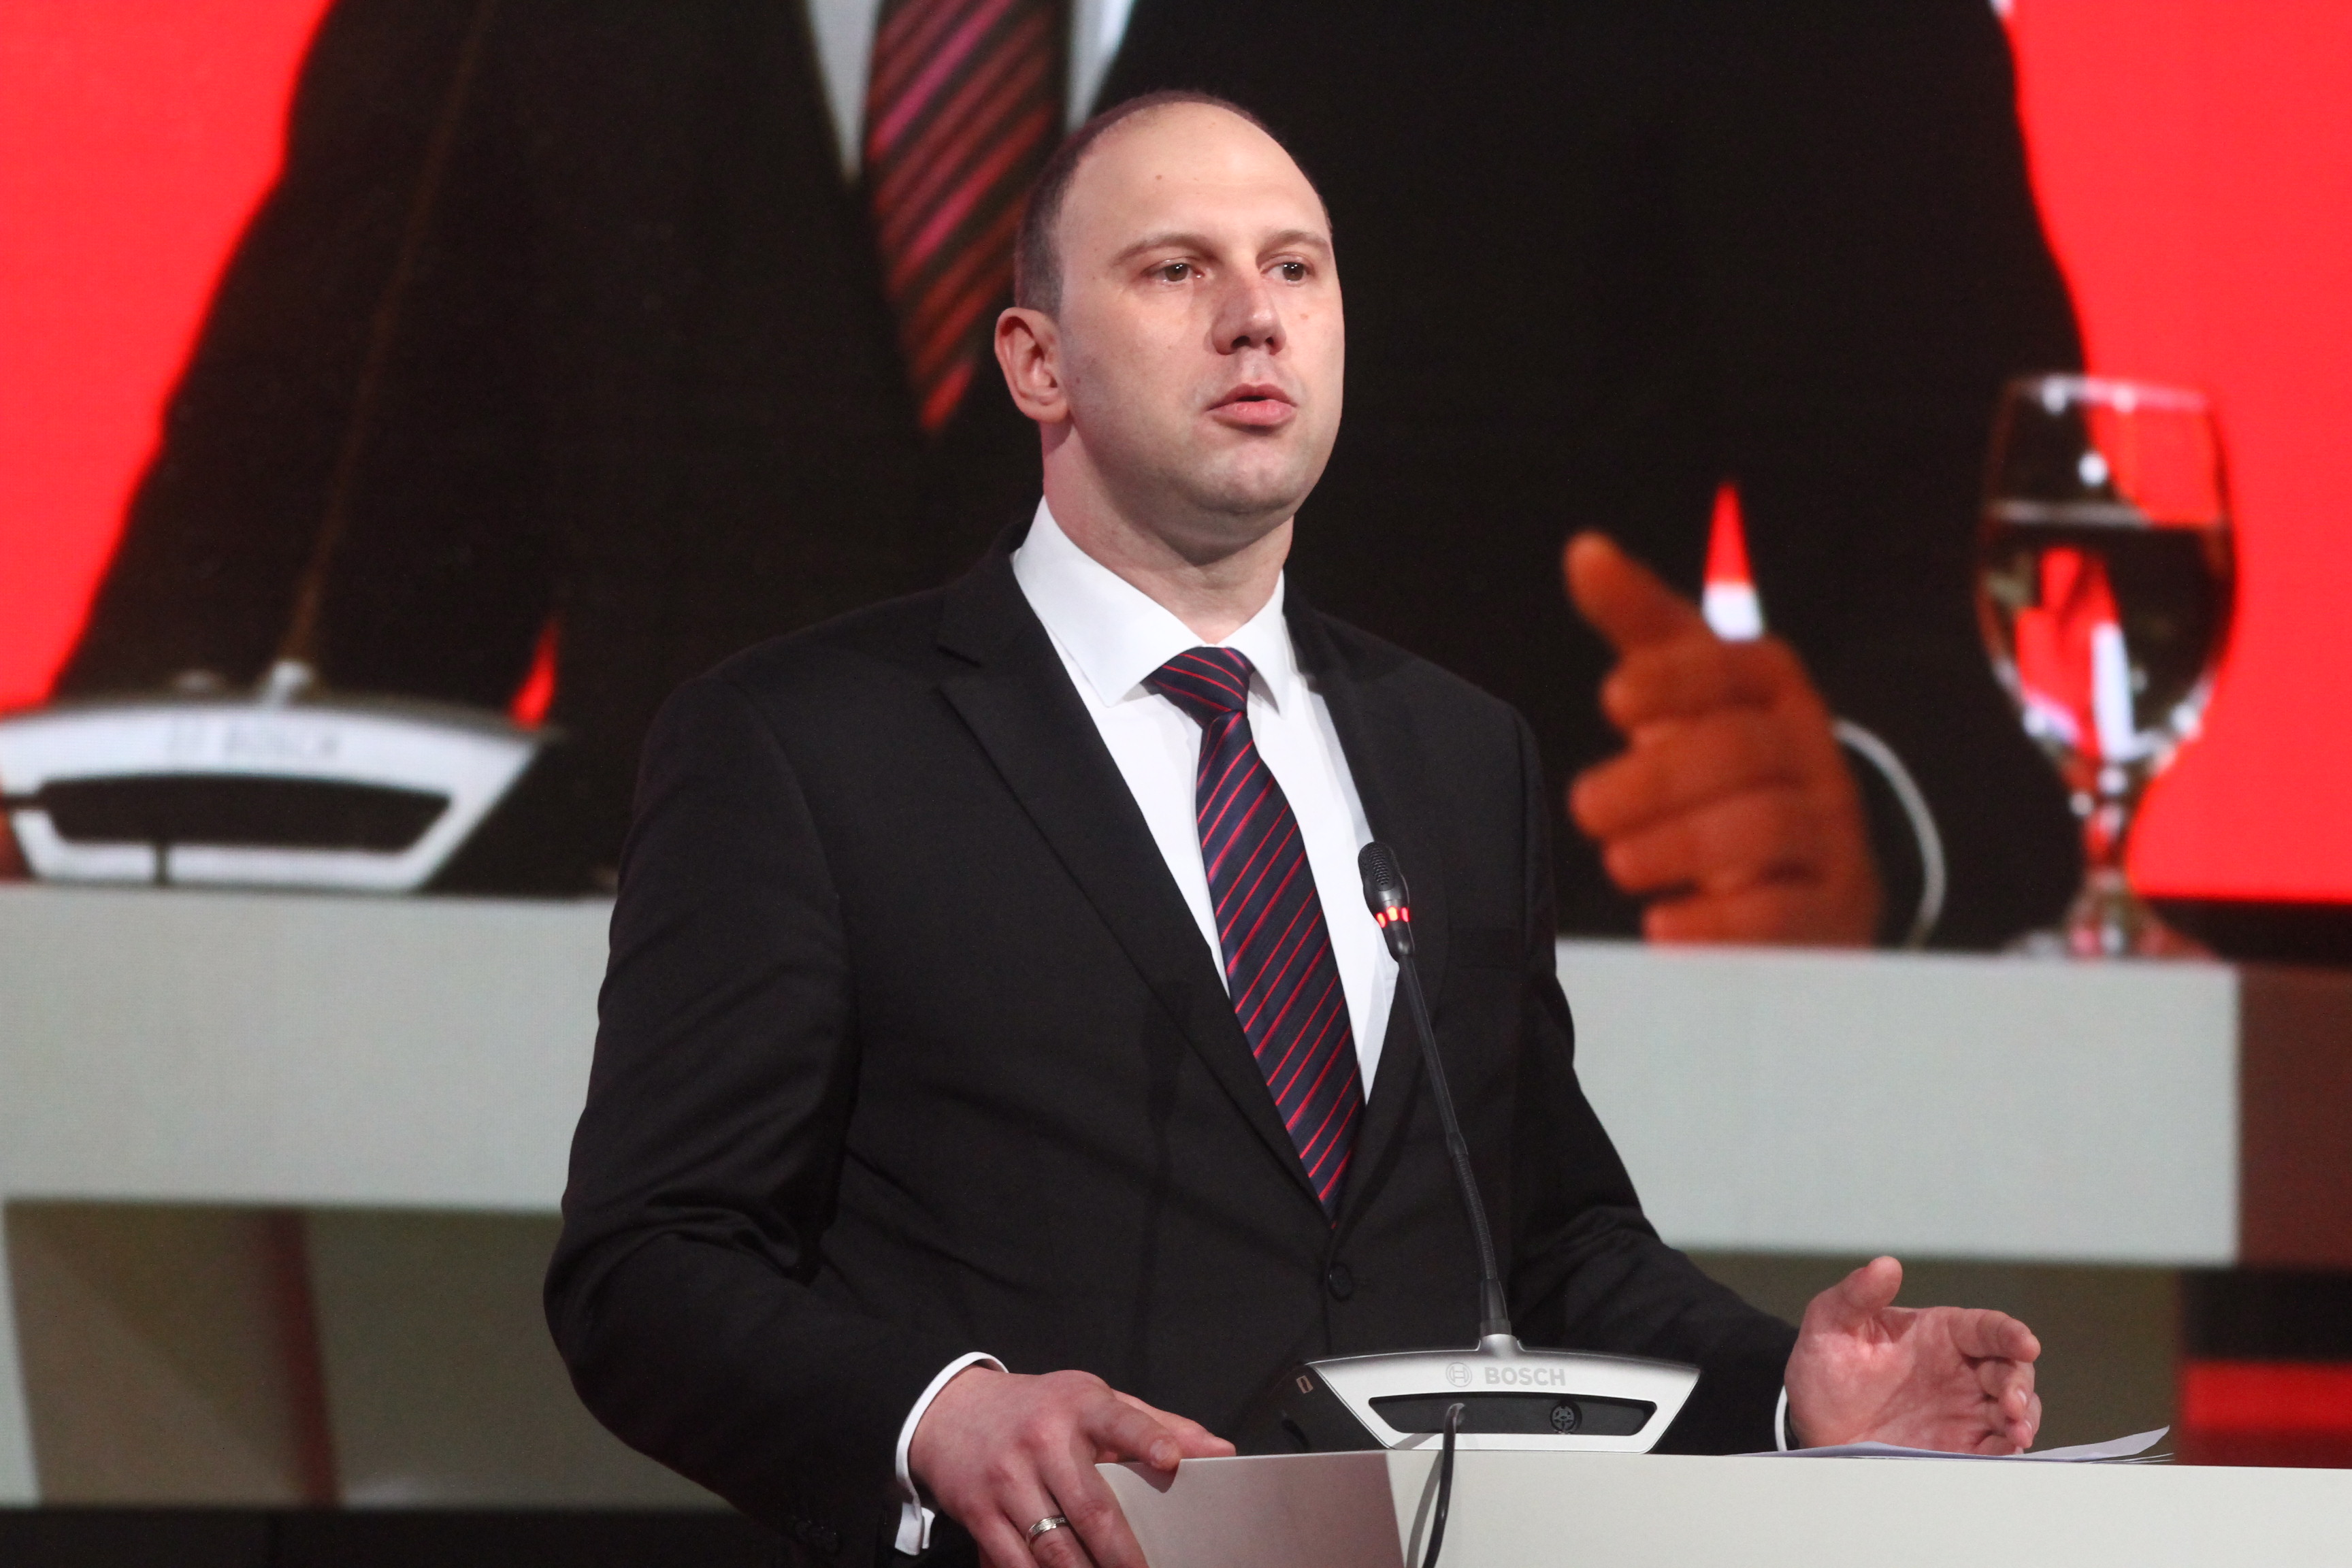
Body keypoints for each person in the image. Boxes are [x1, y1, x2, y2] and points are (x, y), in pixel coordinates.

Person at [545, 95, 2043, 1568]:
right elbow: (650, 1264)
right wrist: (939, 1414)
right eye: (1176, 269)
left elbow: (1544, 1247)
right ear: (1036, 362)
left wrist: (1790, 1394)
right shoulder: (805, 744)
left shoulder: (1461, 755)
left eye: (1295, 268)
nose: (1255, 318)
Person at [48, 0, 2078, 945]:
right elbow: (241, 658)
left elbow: (2022, 614)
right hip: (619, 1322)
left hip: (1401, 1301)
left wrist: (1855, 823)